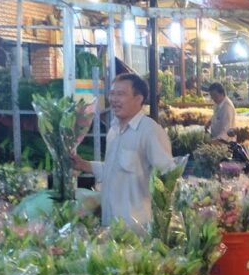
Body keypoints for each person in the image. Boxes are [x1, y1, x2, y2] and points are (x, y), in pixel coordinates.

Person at [74, 73, 175, 231]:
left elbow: (168, 177)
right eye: (112, 94)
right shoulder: (114, 130)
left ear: (138, 99)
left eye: (120, 94)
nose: (114, 99)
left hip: (136, 229)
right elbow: (115, 169)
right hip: (110, 224)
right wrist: (86, 165)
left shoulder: (150, 131)